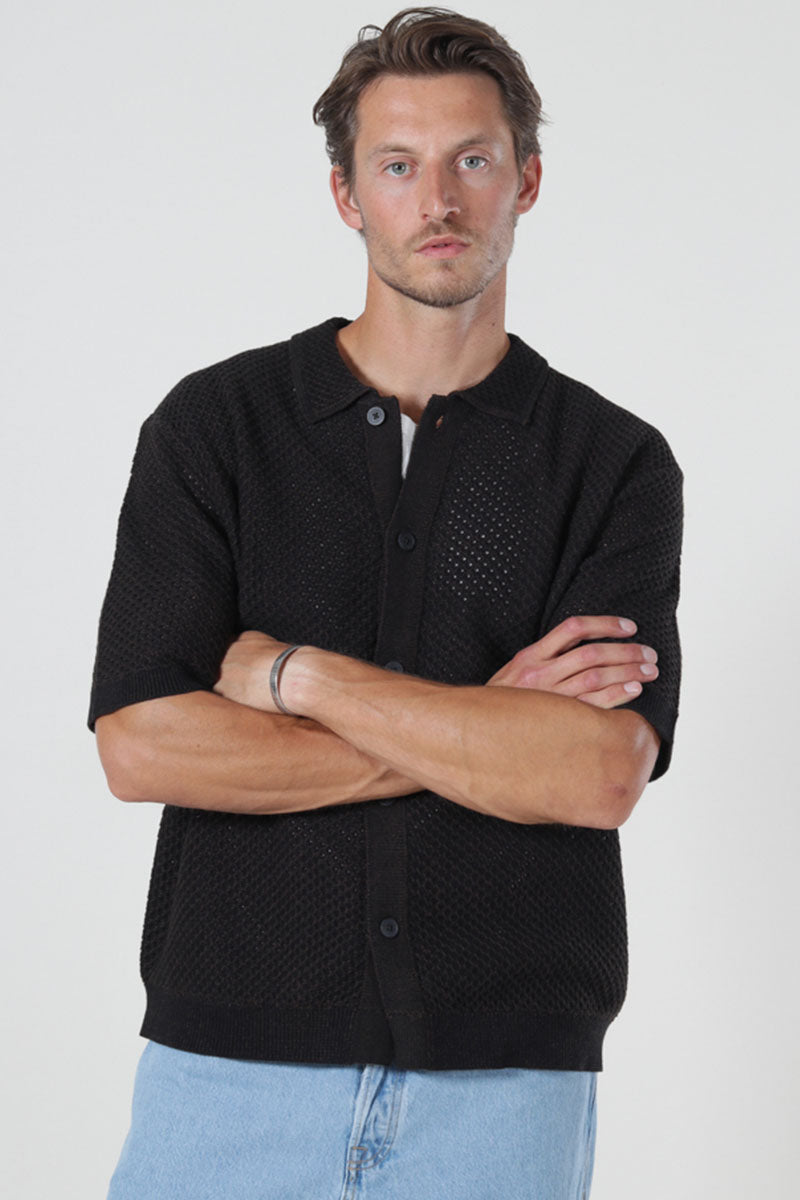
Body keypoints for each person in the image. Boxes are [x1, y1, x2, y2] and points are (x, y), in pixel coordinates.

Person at [89, 8, 682, 1198]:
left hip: (503, 1088)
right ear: (346, 196)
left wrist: (295, 677)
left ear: (526, 182)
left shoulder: (611, 461)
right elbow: (144, 745)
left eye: (473, 160)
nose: (438, 201)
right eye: (398, 166)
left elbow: (594, 774)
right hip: (227, 1075)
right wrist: (484, 727)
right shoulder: (217, 430)